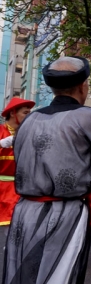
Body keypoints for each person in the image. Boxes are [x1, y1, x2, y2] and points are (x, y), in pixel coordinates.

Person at [1, 56, 91, 284]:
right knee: (58, 282)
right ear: (83, 86)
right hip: (65, 212)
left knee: (28, 278)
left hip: (25, 211)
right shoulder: (88, 116)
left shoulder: (31, 119)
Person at [0, 97, 35, 232]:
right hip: (3, 190)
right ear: (13, 113)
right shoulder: (1, 131)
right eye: (25, 113)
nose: (29, 116)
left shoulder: (28, 134)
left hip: (25, 189)